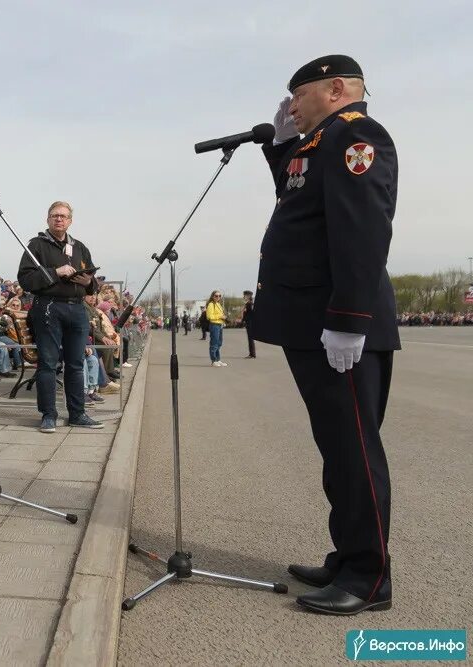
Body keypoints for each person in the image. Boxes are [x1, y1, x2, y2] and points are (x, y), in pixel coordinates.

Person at [254, 55, 399, 615]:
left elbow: (362, 231)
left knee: (356, 450)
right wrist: (282, 145)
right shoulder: (318, 146)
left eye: (299, 94)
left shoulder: (358, 137)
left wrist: (347, 321)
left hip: (339, 326)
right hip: (314, 323)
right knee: (337, 449)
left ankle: (369, 577)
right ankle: (349, 553)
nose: (291, 104)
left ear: (336, 88)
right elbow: (299, 199)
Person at [17, 201, 103, 433]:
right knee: (48, 364)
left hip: (77, 309)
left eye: (64, 216)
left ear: (70, 221)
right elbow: (25, 280)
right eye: (55, 215)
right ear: (47, 219)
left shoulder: (80, 247)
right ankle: (48, 415)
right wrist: (55, 272)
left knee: (76, 364)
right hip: (48, 308)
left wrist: (89, 283)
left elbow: (94, 282)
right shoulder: (36, 245)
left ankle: (77, 413)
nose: (59, 219)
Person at [206, 290, 228, 366]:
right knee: (214, 343)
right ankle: (213, 360)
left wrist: (223, 319)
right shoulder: (211, 305)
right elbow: (209, 316)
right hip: (214, 325)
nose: (218, 297)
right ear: (212, 296)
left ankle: (218, 359)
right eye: (216, 296)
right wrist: (220, 316)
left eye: (219, 296)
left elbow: (221, 314)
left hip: (220, 325)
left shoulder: (218, 304)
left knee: (219, 343)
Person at [242, 290, 256, 358]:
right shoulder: (248, 303)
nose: (243, 297)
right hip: (249, 322)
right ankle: (252, 353)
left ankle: (252, 354)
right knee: (250, 338)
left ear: (248, 296)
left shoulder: (250, 304)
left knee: (250, 338)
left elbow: (251, 313)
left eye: (244, 295)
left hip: (250, 323)